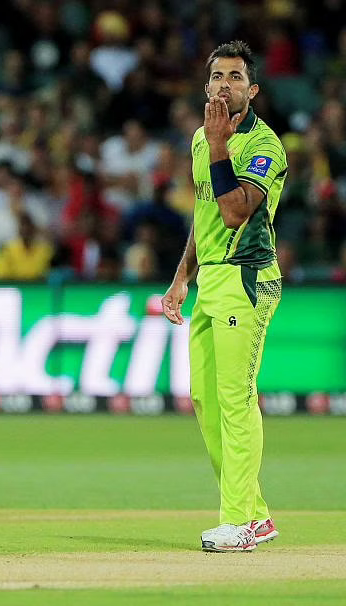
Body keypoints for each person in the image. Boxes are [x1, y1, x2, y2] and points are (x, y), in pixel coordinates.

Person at [161, 41, 287, 552]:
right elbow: (206, 212)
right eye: (217, 76)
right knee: (205, 402)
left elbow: (236, 213)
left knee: (237, 400)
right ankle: (254, 514)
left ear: (251, 90)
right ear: (206, 84)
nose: (224, 85)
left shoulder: (264, 146)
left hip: (247, 279)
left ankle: (237, 521)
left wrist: (218, 145)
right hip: (210, 281)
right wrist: (180, 275)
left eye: (236, 77)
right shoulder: (201, 138)